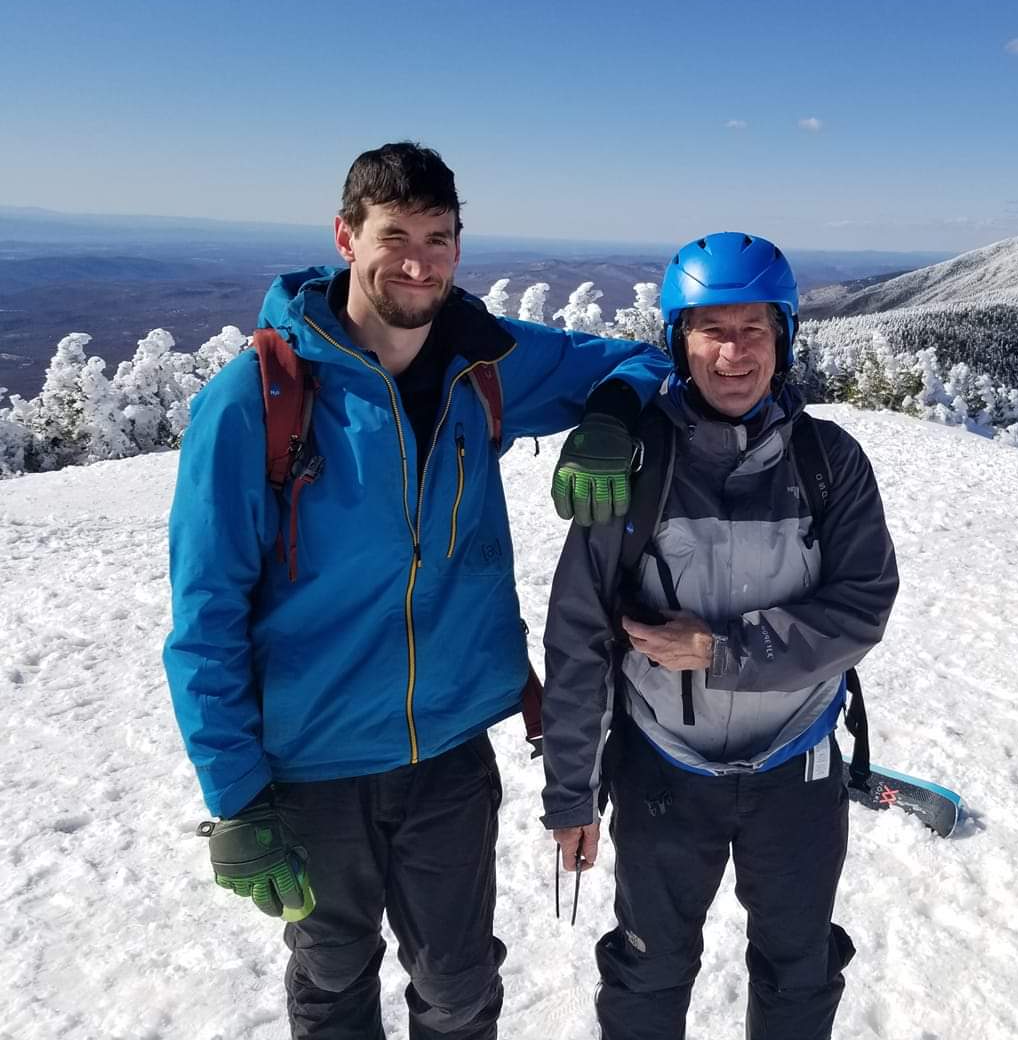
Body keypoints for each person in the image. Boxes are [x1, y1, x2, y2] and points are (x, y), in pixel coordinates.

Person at [163, 141, 670, 1038]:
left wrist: (611, 417)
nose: (417, 261)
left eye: (439, 238)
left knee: (461, 987)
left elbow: (641, 360)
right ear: (345, 235)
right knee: (332, 985)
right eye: (395, 234)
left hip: (447, 756)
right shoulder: (257, 399)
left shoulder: (485, 363)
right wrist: (235, 797)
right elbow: (204, 619)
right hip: (311, 767)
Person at [540, 231, 900, 1040]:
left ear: (783, 341)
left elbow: (863, 607)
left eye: (754, 331)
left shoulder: (828, 462)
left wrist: (721, 650)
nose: (734, 354)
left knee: (798, 969)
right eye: (713, 330)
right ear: (679, 341)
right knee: (647, 967)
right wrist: (571, 792)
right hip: (664, 769)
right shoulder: (636, 467)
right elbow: (577, 638)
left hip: (795, 771)